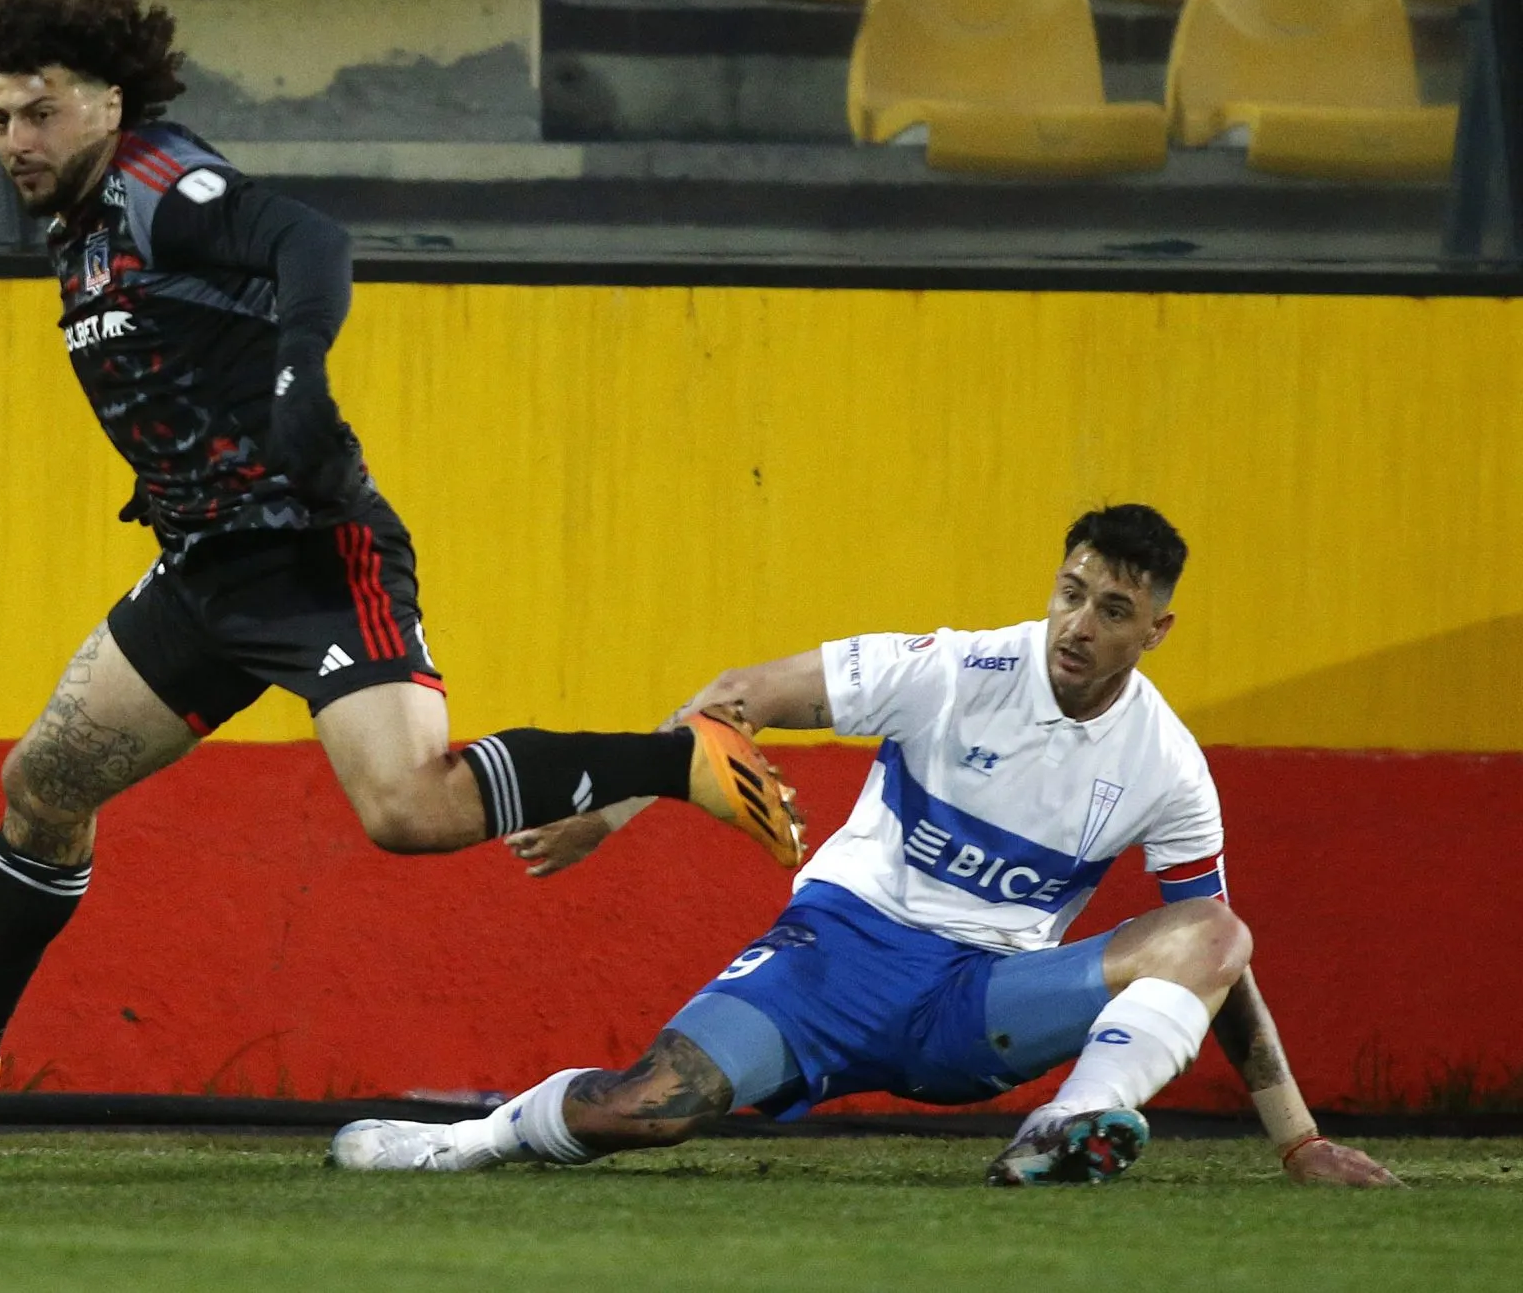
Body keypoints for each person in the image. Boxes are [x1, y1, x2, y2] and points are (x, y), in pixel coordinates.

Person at [0, 0, 805, 1103]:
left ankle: (678, 759)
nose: (16, 140)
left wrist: (298, 381)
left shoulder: (158, 187)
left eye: (40, 112)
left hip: (312, 557)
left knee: (407, 809)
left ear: (109, 103)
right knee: (42, 780)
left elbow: (309, 241)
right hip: (202, 573)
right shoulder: (77, 222)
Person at [333, 505, 1398, 1187]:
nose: (1076, 623)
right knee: (639, 1109)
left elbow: (1221, 965)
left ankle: (1066, 1126)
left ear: (1153, 630)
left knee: (1215, 926)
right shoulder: (950, 669)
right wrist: (608, 810)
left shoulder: (1165, 762)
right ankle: (461, 1143)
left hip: (980, 1005)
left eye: (1110, 609)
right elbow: (731, 697)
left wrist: (1297, 1140)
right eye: (1069, 592)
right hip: (835, 954)